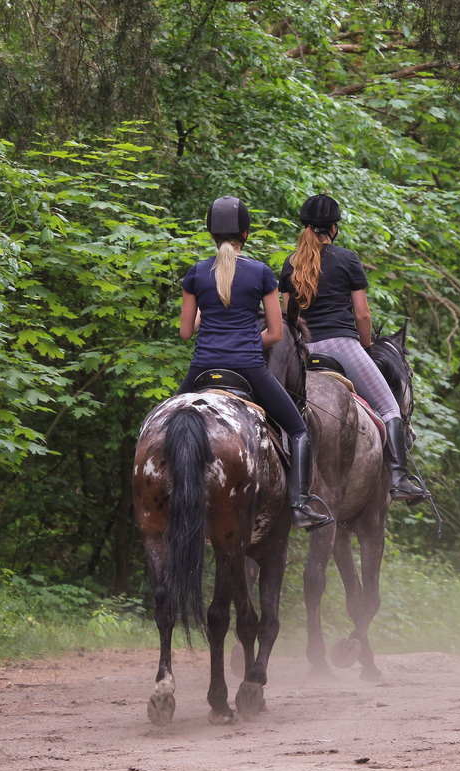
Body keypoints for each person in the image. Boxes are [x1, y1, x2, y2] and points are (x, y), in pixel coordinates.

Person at [178, 196, 332, 529]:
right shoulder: (261, 273)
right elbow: (276, 334)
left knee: (166, 424)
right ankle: (299, 504)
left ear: (211, 235)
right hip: (248, 368)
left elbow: (185, 333)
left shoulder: (195, 274)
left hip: (202, 368)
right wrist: (245, 342)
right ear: (245, 234)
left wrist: (209, 315)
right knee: (299, 429)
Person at [279, 194, 428, 503]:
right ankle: (400, 479)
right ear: (333, 227)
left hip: (303, 351)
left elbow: (288, 318)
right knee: (388, 408)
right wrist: (365, 346)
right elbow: (362, 314)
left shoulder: (291, 263)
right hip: (341, 345)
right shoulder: (347, 258)